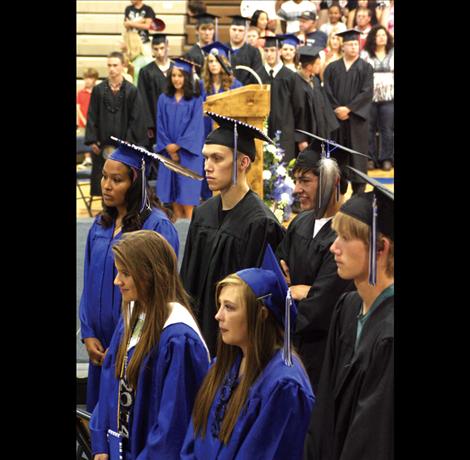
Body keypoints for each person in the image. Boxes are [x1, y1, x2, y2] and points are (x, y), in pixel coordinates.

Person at [89, 230, 210, 459]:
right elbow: (109, 385)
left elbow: (172, 427)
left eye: (125, 273)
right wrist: (101, 446)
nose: (117, 281)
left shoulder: (178, 338)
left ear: (150, 275)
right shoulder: (134, 315)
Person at [79, 144, 180, 412]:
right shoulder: (100, 225)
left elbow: (162, 294)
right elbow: (88, 283)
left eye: (117, 179)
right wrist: (88, 333)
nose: (107, 186)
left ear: (135, 183)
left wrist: (128, 344)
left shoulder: (157, 226)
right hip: (99, 351)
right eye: (104, 177)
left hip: (134, 352)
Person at [181, 258, 314, 459]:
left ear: (261, 315)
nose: (218, 315)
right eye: (219, 305)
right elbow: (193, 439)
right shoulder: (222, 366)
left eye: (230, 307)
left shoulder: (284, 386)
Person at [304, 167, 394, 460]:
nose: (333, 248)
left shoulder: (390, 333)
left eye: (344, 238)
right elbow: (324, 407)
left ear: (380, 248)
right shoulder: (348, 307)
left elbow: (374, 438)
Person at [180, 113, 286, 355]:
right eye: (206, 157)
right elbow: (187, 280)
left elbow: (262, 304)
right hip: (197, 341)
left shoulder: (261, 224)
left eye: (217, 158)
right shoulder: (203, 214)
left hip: (237, 351)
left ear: (243, 162)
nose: (207, 166)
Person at [275, 136, 356, 393]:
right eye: (296, 180)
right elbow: (279, 266)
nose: (296, 189)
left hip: (322, 356)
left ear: (333, 182)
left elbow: (322, 306)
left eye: (305, 181)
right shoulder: (300, 223)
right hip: (290, 348)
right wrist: (288, 282)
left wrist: (303, 295)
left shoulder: (345, 236)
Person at [85, 51, 148, 198]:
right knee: (104, 185)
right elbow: (92, 115)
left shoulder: (131, 91)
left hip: (123, 148)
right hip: (102, 147)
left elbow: (136, 119)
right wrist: (92, 139)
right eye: (109, 65)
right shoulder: (98, 90)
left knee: (123, 185)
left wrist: (128, 143)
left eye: (115, 65)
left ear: (123, 66)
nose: (111, 69)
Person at [323, 29, 373, 195]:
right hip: (336, 120)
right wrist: (336, 109)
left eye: (355, 44)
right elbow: (327, 92)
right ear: (342, 46)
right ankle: (338, 190)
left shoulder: (366, 68)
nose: (353, 47)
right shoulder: (332, 68)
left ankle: (358, 192)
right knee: (338, 155)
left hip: (357, 120)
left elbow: (367, 92)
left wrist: (349, 109)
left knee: (358, 155)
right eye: (350, 44)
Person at [155, 58, 204, 220]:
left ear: (187, 78)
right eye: (174, 75)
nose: (176, 79)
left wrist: (179, 147)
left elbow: (195, 127)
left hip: (188, 155)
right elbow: (160, 124)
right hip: (168, 153)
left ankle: (189, 233)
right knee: (173, 197)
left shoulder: (195, 99)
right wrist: (168, 146)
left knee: (187, 198)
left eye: (180, 76)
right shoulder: (163, 99)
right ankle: (178, 235)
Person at [200, 41, 243, 201]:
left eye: (217, 60)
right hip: (205, 135)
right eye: (210, 61)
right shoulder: (201, 86)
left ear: (224, 62)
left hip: (227, 137)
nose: (213, 64)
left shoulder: (235, 86)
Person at [247, 35, 297, 162]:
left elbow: (299, 107)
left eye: (273, 50)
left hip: (285, 132)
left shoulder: (290, 76)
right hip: (262, 131)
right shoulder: (257, 75)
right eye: (266, 50)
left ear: (279, 51)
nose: (269, 54)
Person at [292, 46, 339, 157]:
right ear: (309, 66)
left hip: (319, 133)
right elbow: (298, 112)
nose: (320, 67)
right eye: (317, 64)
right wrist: (301, 139)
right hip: (306, 136)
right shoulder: (296, 82)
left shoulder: (315, 80)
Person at [361, 24, 394, 171]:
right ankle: (370, 158)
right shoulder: (366, 54)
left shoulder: (393, 52)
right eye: (378, 35)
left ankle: (386, 158)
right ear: (373, 38)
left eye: (384, 35)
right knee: (369, 128)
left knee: (387, 128)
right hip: (369, 97)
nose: (381, 37)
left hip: (389, 97)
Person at [137, 33, 172, 149]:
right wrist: (148, 125)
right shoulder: (146, 72)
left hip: (175, 121)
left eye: (162, 48)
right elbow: (143, 100)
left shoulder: (177, 69)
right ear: (152, 49)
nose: (159, 52)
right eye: (156, 49)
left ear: (167, 47)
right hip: (155, 122)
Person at [226, 15, 263, 85]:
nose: (236, 33)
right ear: (229, 30)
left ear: (245, 32)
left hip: (246, 92)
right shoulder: (223, 49)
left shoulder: (254, 52)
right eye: (234, 29)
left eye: (240, 30)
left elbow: (256, 75)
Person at [184, 13, 219, 77]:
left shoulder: (219, 51)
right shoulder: (190, 55)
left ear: (214, 31)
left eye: (210, 29)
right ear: (197, 31)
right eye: (203, 29)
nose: (207, 33)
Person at [77, 68, 99, 169]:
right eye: (86, 78)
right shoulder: (80, 93)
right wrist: (83, 120)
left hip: (94, 122)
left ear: (94, 79)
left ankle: (94, 158)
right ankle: (87, 159)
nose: (87, 80)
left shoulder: (97, 92)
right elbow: (78, 108)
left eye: (89, 78)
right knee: (83, 138)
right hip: (83, 123)